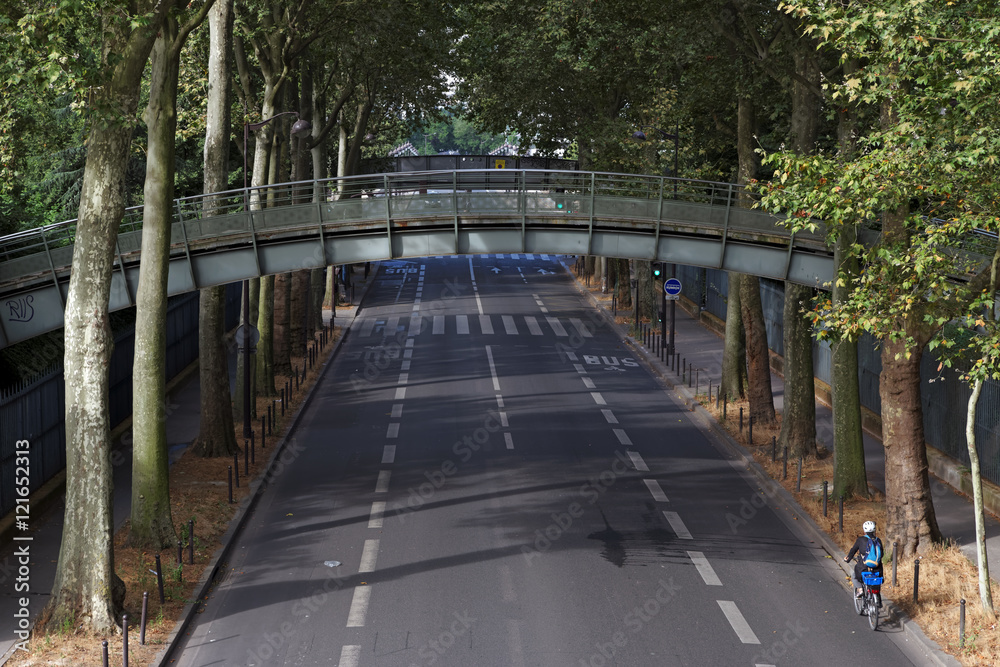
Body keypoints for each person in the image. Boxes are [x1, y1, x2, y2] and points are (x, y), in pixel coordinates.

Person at [843, 520, 884, 600]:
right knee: (876, 580)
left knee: (854, 576)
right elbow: (881, 554)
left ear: (864, 530)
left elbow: (853, 550)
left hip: (863, 567)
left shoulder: (860, 539)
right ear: (874, 529)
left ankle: (860, 589)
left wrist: (848, 558)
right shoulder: (878, 540)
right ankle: (878, 600)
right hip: (877, 568)